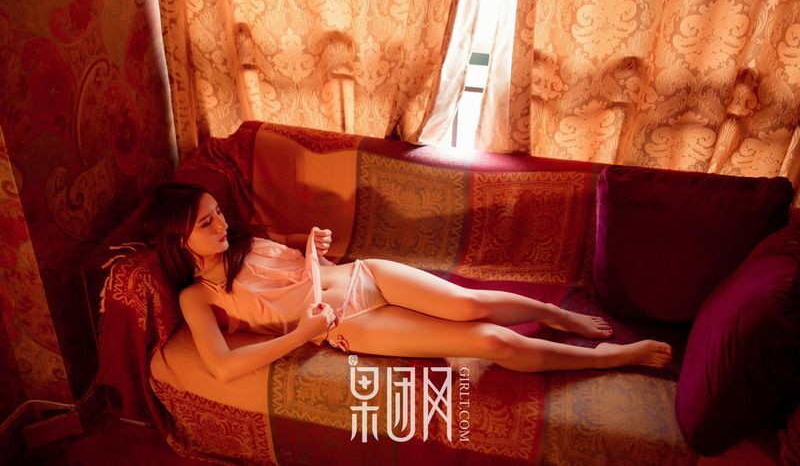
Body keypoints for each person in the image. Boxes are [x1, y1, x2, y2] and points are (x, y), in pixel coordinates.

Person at [142, 181, 672, 383]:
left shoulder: (241, 238)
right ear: (178, 241)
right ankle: (609, 359)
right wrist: (302, 335)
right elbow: (224, 367)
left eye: (218, 211)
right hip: (350, 323)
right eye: (207, 223)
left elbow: (293, 251)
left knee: (468, 304)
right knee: (490, 343)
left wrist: (313, 242)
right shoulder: (196, 297)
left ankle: (555, 314)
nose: (222, 224)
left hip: (364, 273)